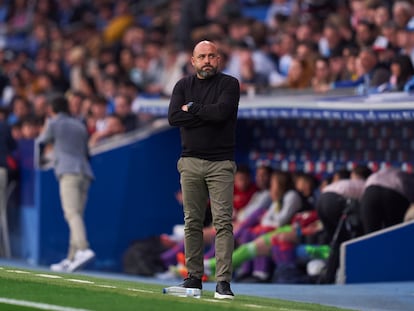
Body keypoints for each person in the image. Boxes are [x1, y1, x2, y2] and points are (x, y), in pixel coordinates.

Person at [168, 40, 240, 299]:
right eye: (202, 56)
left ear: (218, 59)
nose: (207, 60)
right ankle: (193, 278)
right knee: (192, 222)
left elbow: (222, 113)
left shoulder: (229, 84)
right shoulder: (183, 85)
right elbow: (174, 117)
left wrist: (195, 109)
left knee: (222, 223)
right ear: (193, 61)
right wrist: (205, 115)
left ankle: (223, 283)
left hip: (221, 162)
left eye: (211, 56)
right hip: (190, 161)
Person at [35, 94, 95, 272]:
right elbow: (86, 153)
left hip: (68, 172)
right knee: (76, 216)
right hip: (85, 173)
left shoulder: (53, 123)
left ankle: (83, 249)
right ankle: (71, 258)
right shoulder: (79, 124)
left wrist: (47, 126)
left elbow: (40, 142)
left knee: (71, 214)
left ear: (52, 110)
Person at [360, 167, 414, 234]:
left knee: (369, 235)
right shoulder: (407, 177)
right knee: (394, 232)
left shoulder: (378, 174)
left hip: (371, 192)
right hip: (394, 194)